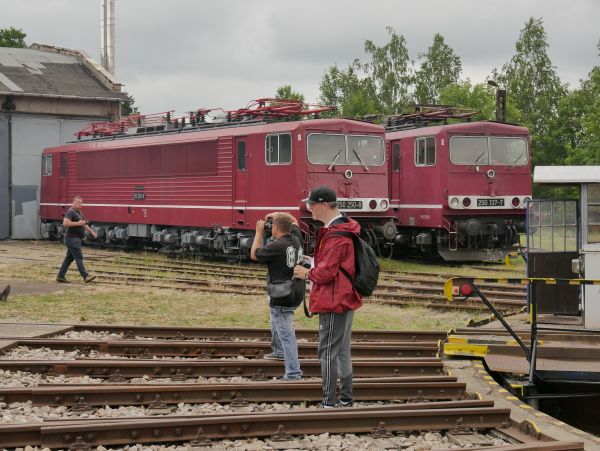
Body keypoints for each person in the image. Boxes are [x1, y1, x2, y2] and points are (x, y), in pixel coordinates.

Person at [293, 186, 362, 408]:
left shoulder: (336, 235)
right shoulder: (341, 229)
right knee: (342, 350)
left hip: (334, 300)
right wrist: (313, 260)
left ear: (323, 205)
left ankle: (329, 402)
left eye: (311, 205)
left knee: (327, 352)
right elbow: (334, 265)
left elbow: (326, 273)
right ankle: (346, 398)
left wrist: (306, 272)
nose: (308, 208)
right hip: (343, 297)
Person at [251, 212, 304, 381]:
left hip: (282, 294)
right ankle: (279, 352)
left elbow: (254, 254)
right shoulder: (296, 237)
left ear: (275, 227)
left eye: (271, 225)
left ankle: (293, 374)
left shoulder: (277, 246)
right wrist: (277, 214)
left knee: (286, 333)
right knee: (275, 319)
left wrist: (259, 232)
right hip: (295, 291)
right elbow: (293, 220)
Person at [56, 196, 97, 284]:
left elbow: (83, 224)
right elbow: (65, 223)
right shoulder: (70, 212)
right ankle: (85, 276)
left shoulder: (79, 212)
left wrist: (91, 232)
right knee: (79, 257)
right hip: (72, 238)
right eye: (78, 202)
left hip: (76, 238)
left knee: (69, 258)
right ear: (73, 202)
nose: (80, 204)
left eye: (81, 202)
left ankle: (60, 276)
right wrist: (78, 223)